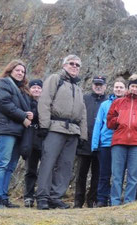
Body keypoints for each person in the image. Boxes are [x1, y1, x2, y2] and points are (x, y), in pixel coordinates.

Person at [36, 55, 88, 210]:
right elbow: (44, 101)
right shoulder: (54, 79)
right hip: (55, 127)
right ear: (64, 65)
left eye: (77, 65)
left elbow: (83, 113)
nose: (74, 67)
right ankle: (43, 197)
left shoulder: (78, 88)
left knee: (66, 165)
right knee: (48, 162)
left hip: (73, 132)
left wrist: (83, 135)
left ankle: (55, 197)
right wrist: (44, 125)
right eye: (71, 64)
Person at [0, 60, 33, 209]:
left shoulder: (22, 89)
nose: (20, 73)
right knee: (2, 163)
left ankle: (3, 197)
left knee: (10, 166)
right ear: (10, 70)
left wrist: (29, 114)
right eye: (17, 70)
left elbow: (21, 107)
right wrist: (23, 117)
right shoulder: (1, 84)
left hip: (18, 131)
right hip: (6, 129)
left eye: (22, 71)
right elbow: (3, 103)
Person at [107, 74, 137, 205]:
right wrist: (118, 119)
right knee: (117, 175)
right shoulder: (118, 102)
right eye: (132, 86)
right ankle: (115, 202)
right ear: (128, 88)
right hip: (119, 141)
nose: (134, 89)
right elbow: (109, 123)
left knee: (133, 175)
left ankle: (129, 202)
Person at [74, 76, 108, 208]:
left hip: (100, 144)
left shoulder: (107, 101)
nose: (98, 86)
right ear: (92, 85)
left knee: (97, 175)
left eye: (101, 84)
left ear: (105, 86)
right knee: (81, 174)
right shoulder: (84, 99)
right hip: (84, 142)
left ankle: (92, 200)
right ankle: (78, 201)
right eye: (96, 84)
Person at [91, 78, 126, 207]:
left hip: (121, 143)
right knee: (104, 173)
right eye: (116, 87)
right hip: (105, 143)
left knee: (118, 174)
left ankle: (114, 199)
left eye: (121, 87)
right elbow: (98, 124)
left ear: (125, 89)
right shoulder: (105, 104)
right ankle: (101, 199)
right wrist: (95, 144)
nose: (118, 89)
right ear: (113, 88)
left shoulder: (128, 104)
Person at [23, 79, 43, 208]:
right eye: (33, 87)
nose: (36, 90)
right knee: (31, 169)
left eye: (38, 88)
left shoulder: (46, 104)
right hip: (30, 138)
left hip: (43, 138)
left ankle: (42, 194)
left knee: (45, 169)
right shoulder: (26, 102)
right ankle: (28, 196)